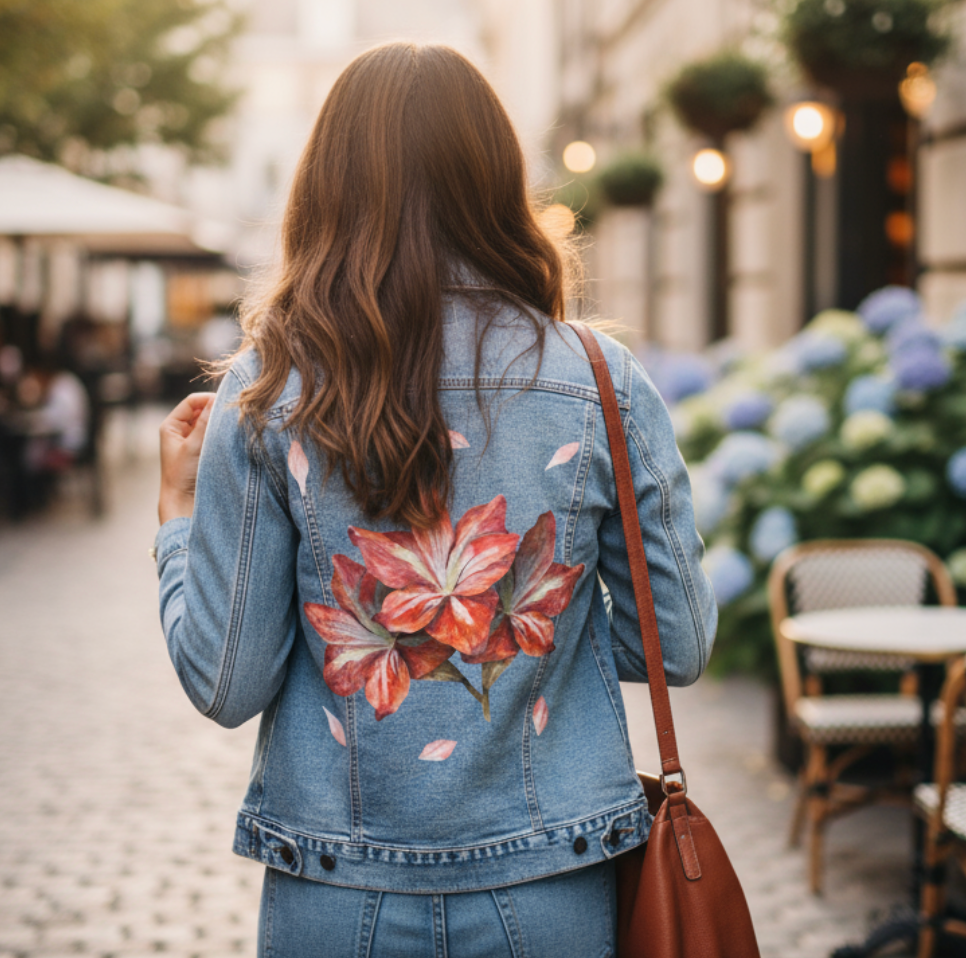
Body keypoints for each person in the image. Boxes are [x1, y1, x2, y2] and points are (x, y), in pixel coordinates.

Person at [155, 43, 717, 957]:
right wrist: (524, 632)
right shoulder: (600, 382)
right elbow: (678, 645)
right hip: (554, 881)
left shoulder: (269, 388)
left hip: (335, 888)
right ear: (496, 182)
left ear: (324, 189)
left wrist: (177, 522)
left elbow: (226, 682)